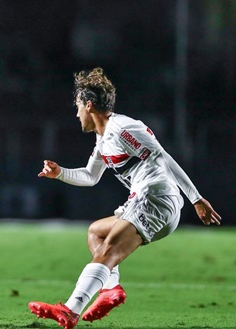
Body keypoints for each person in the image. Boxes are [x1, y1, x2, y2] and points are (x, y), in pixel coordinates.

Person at [28, 68, 221, 329]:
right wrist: (60, 173)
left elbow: (163, 157)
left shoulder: (122, 129)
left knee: (107, 251)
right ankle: (111, 290)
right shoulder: (103, 139)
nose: (76, 114)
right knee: (96, 232)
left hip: (155, 198)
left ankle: (71, 310)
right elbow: (90, 176)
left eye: (77, 107)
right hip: (146, 202)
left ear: (89, 104)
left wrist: (196, 198)